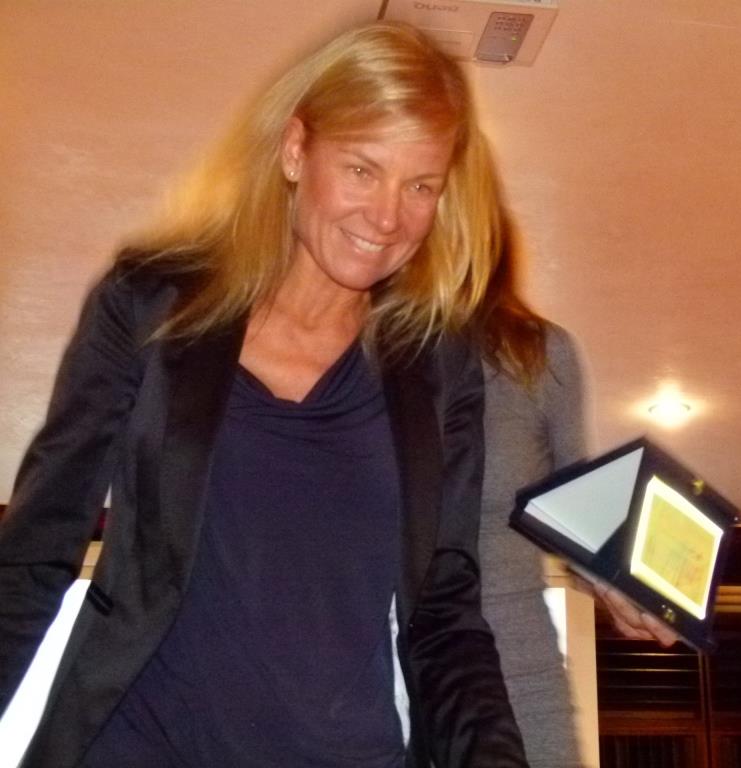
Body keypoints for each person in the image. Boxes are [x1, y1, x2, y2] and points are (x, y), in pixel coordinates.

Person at [0, 22, 527, 767]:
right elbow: (35, 553)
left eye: (421, 186)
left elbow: (444, 612)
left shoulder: (438, 362)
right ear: (295, 150)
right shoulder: (151, 306)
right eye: (362, 170)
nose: (388, 218)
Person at [465, 205, 587, 766]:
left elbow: (580, 523)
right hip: (376, 674)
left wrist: (635, 585)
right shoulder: (364, 349)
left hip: (517, 667)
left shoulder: (540, 352)